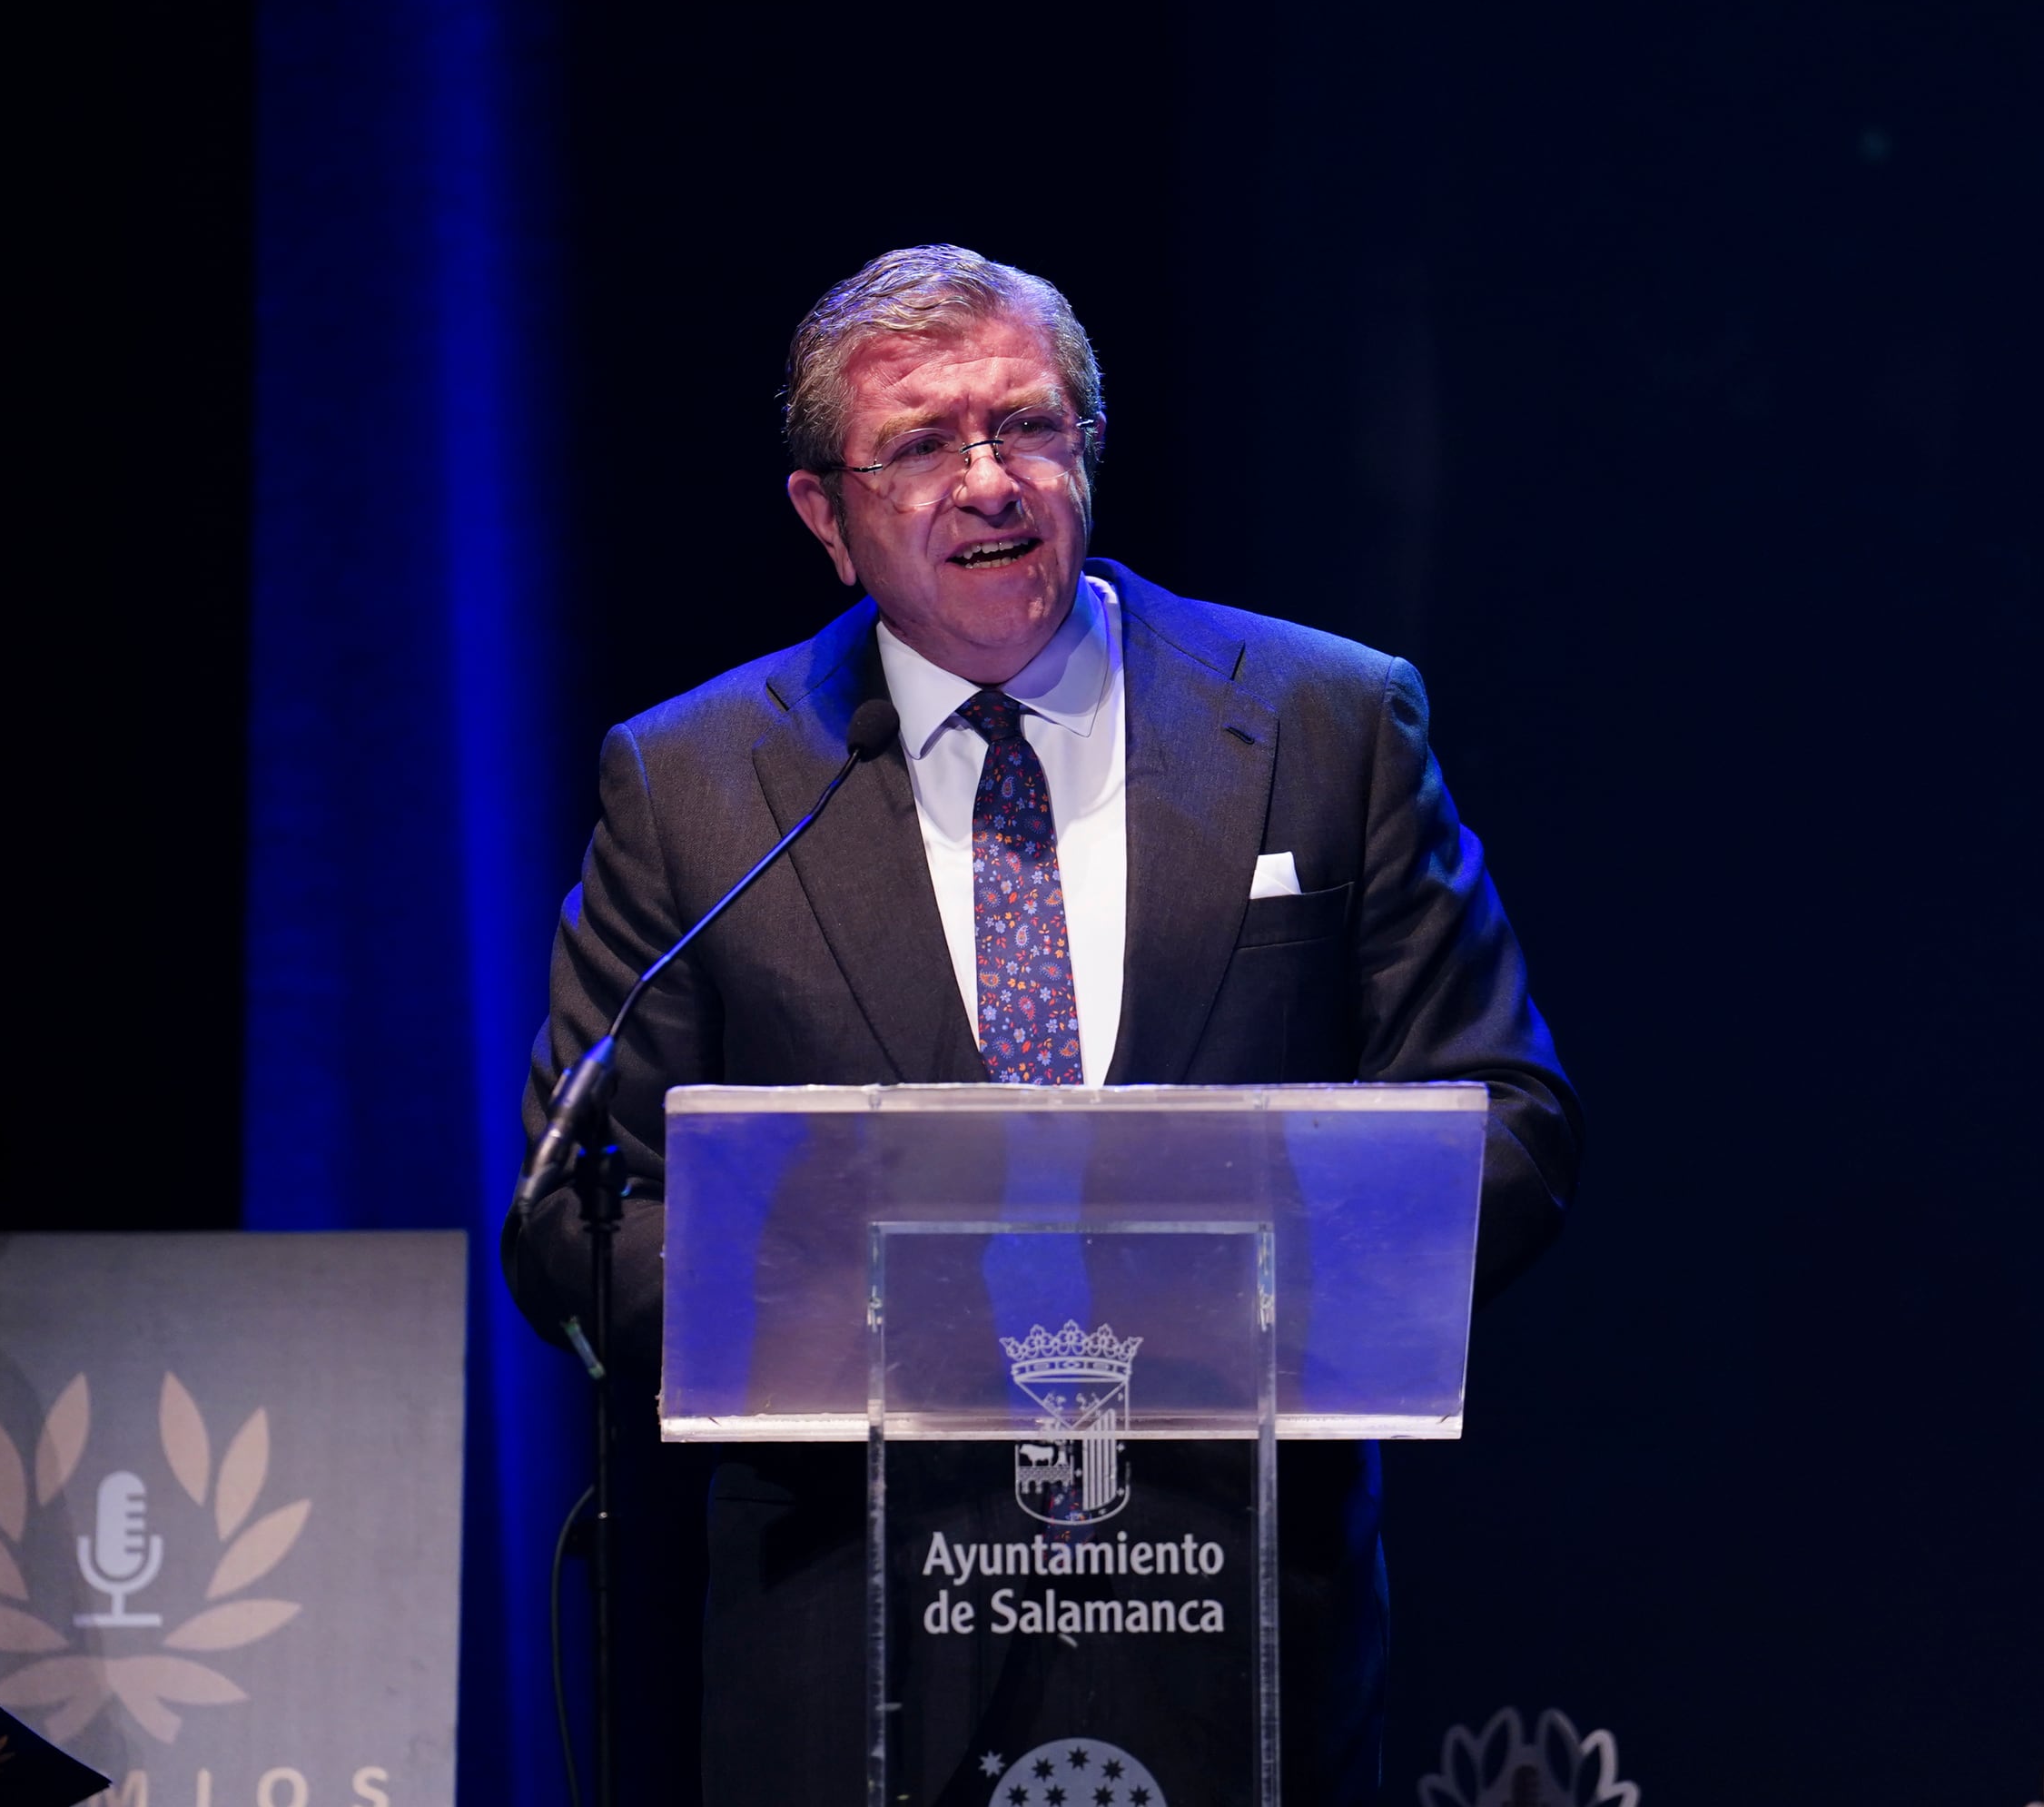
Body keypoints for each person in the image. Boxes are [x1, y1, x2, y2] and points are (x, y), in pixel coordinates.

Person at [508, 246, 1583, 1802]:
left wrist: (1191, 1282)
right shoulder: (698, 787)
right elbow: (578, 1220)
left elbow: (1511, 1130)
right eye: (920, 445)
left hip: (1233, 1626)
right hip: (854, 1644)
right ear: (826, 516)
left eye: (1027, 425)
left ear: (1090, 444)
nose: (989, 481)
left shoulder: (1326, 722)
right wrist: (920, 1311)